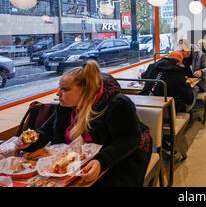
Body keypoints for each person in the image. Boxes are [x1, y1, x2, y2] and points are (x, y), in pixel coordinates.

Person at [23, 61, 152, 187]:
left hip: (120, 159)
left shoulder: (117, 104)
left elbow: (129, 139)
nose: (58, 93)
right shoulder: (65, 106)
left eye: (65, 89)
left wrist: (101, 161)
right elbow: (48, 131)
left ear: (85, 89)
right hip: (75, 163)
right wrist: (32, 140)